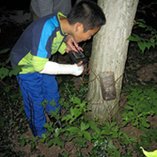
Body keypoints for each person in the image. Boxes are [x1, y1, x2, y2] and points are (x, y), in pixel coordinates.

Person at [10, 0, 106, 138]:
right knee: (35, 101)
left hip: (42, 60)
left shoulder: (61, 21)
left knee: (51, 91)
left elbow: (53, 41)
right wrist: (73, 70)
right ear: (79, 27)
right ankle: (40, 134)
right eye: (90, 35)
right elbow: (40, 66)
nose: (89, 38)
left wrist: (65, 47)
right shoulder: (46, 27)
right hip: (26, 67)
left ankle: (55, 118)